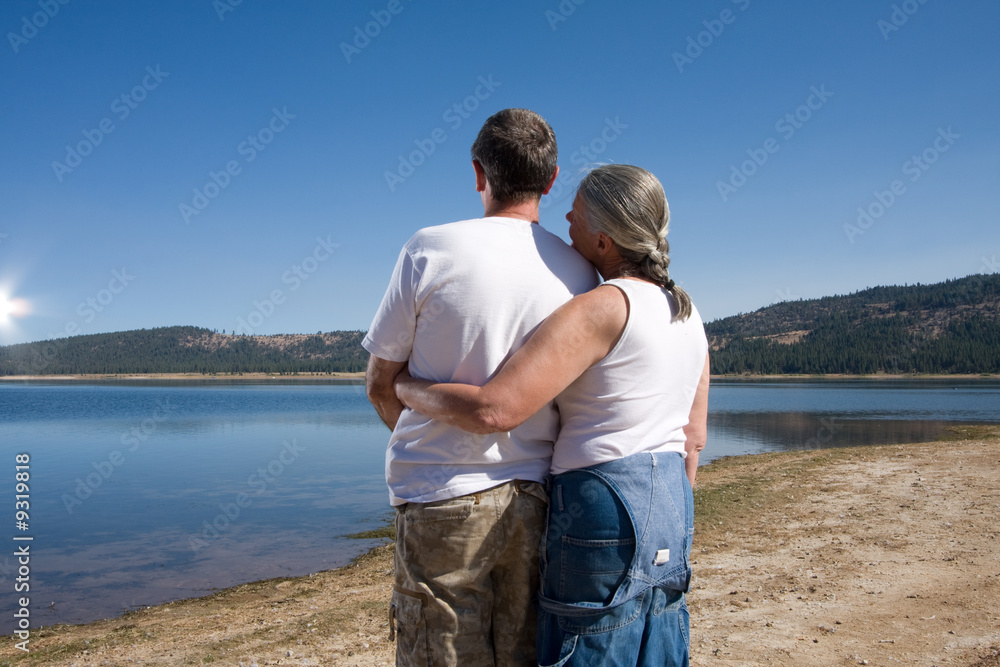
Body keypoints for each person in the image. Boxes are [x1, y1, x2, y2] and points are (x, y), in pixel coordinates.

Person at [394, 164, 710, 666]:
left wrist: (408, 387)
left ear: (604, 241)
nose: (565, 216)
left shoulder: (602, 307)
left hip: (602, 499)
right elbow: (694, 438)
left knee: (588, 645)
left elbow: (497, 409)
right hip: (673, 498)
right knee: (655, 643)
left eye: (578, 212)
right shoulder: (687, 313)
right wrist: (663, 516)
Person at [363, 108, 599, 666]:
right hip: (538, 499)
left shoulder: (430, 248)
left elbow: (380, 384)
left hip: (439, 498)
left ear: (478, 174)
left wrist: (432, 436)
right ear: (551, 179)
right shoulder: (583, 275)